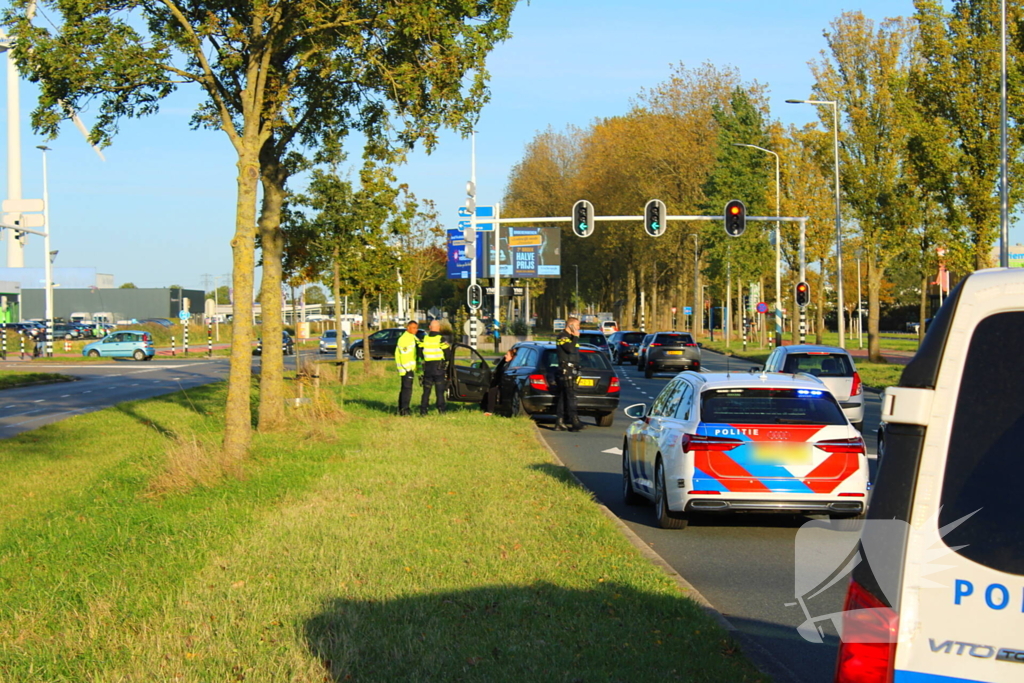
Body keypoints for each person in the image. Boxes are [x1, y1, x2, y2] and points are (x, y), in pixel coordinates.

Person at [554, 317, 584, 432]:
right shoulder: (563, 336)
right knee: (571, 396)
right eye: (577, 326)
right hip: (566, 370)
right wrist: (576, 336)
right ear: (570, 325)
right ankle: (574, 421)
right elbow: (570, 349)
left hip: (572, 370)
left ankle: (559, 422)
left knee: (563, 397)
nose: (579, 328)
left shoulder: (570, 338)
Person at [419, 319, 451, 416]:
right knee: (439, 391)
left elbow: (420, 353)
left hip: (427, 368)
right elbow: (448, 355)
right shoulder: (441, 339)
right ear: (439, 328)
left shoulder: (424, 339)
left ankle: (423, 411)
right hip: (438, 368)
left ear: (429, 328)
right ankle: (441, 410)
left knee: (426, 391)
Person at [483, 346, 518, 415]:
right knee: (492, 390)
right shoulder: (507, 364)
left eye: (507, 355)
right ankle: (489, 410)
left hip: (506, 384)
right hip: (502, 383)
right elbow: (499, 369)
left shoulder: (512, 366)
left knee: (492, 391)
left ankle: (490, 411)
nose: (505, 356)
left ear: (512, 357)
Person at [395, 320, 419, 416]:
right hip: (406, 369)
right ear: (407, 328)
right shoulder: (405, 339)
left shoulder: (411, 337)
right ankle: (405, 410)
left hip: (409, 369)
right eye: (413, 328)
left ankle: (401, 409)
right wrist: (407, 369)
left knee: (404, 389)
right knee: (407, 390)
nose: (415, 330)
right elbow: (404, 355)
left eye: (416, 328)